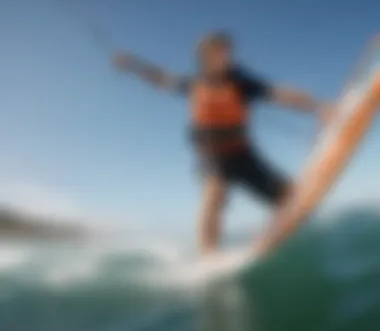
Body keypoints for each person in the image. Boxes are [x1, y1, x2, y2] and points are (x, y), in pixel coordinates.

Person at [114, 31, 331, 258]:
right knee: (215, 192)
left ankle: (272, 232)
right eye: (220, 53)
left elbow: (278, 94)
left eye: (228, 52)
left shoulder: (240, 81)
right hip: (212, 156)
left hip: (242, 154)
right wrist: (132, 64)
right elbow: (160, 78)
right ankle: (208, 256)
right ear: (205, 58)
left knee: (291, 198)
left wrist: (318, 107)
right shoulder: (191, 83)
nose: (228, 57)